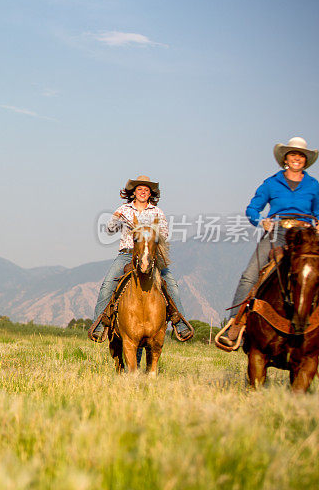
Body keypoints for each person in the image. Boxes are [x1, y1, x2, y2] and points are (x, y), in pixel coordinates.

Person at [217, 136, 319, 348]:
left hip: (306, 234)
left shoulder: (313, 185)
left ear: (305, 160)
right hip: (278, 231)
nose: (297, 158)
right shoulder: (271, 183)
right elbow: (252, 208)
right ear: (285, 158)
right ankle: (235, 325)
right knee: (250, 275)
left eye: (301, 155)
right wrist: (260, 221)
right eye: (293, 155)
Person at [88, 175, 194, 342]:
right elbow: (109, 229)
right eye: (140, 189)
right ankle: (99, 325)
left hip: (151, 255)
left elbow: (165, 234)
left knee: (171, 284)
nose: (143, 192)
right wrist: (116, 217)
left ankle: (180, 323)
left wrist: (149, 231)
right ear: (134, 192)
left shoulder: (157, 212)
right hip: (127, 254)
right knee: (108, 284)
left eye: (146, 190)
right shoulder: (123, 210)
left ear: (151, 193)